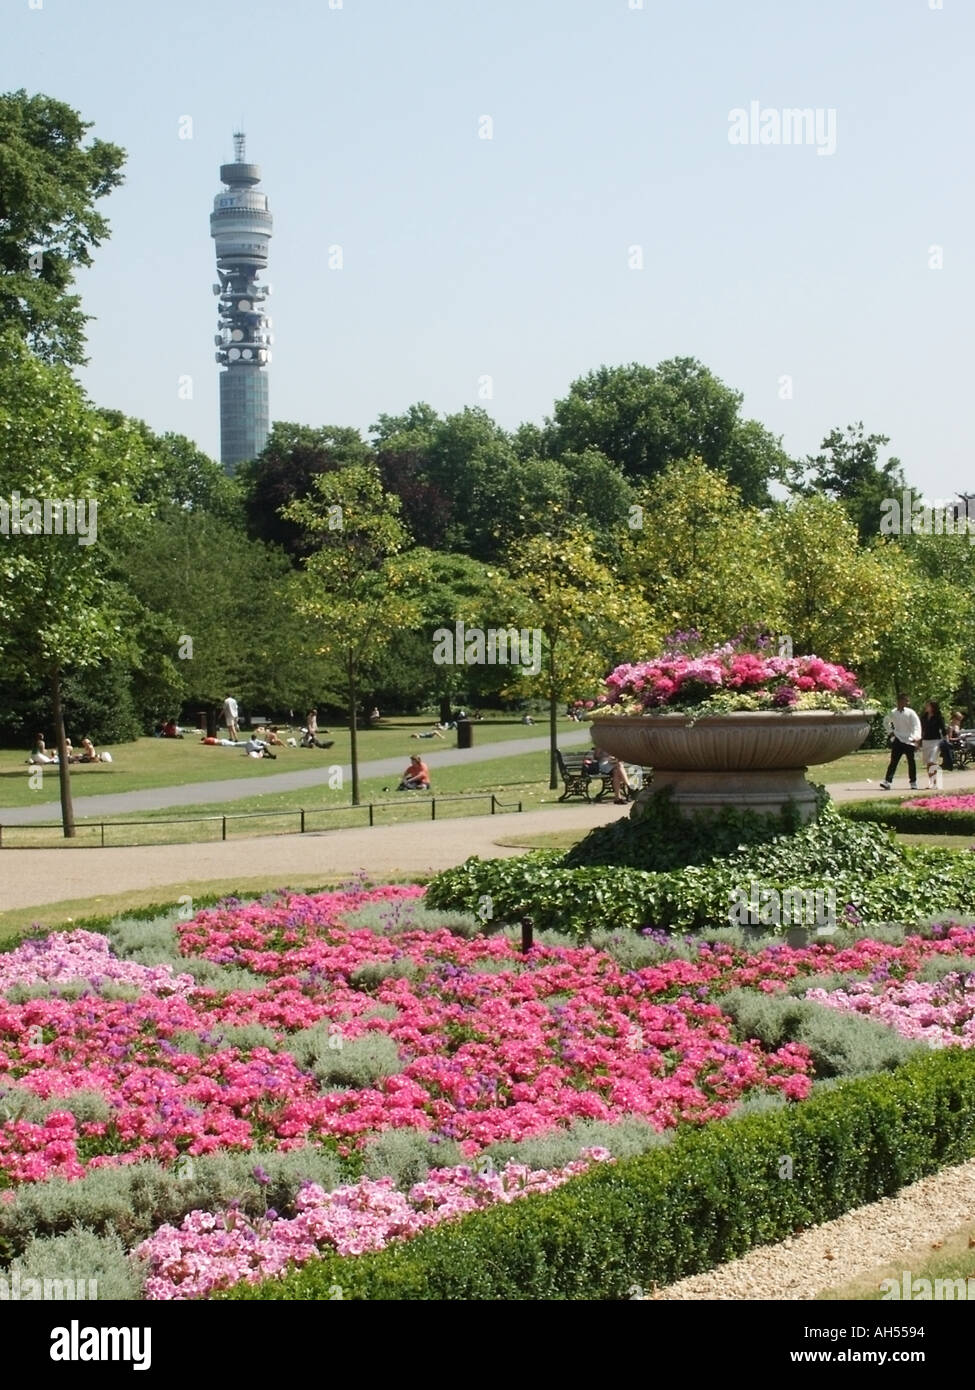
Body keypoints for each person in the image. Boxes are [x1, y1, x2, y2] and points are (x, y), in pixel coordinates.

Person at [880, 693, 921, 790]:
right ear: (899, 701)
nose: (906, 703)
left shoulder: (911, 713)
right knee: (894, 761)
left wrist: (916, 737)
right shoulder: (893, 712)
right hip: (898, 738)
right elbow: (886, 722)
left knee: (911, 762)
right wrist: (891, 732)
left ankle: (913, 782)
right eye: (904, 700)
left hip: (909, 739)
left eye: (907, 701)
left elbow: (916, 725)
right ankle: (887, 781)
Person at [920, 700, 947, 788]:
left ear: (933, 707)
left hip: (935, 741)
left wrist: (946, 740)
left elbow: (943, 729)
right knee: (928, 762)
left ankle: (936, 782)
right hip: (926, 741)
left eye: (928, 705)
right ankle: (931, 782)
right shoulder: (924, 717)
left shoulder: (938, 717)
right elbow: (921, 729)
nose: (926, 707)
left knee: (932, 761)